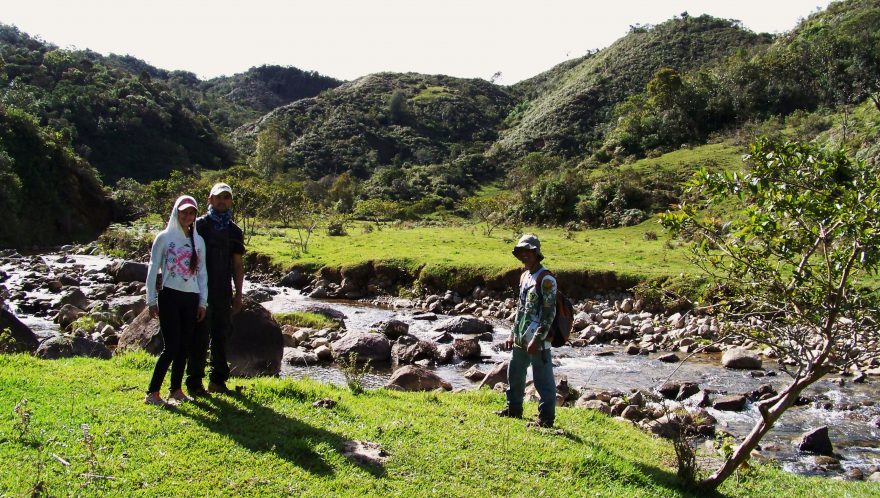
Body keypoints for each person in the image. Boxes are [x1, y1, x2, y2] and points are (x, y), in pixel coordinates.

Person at [144, 195, 208, 406]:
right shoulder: (164, 238)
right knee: (171, 347)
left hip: (191, 298)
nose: (188, 216)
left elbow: (202, 274)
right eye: (184, 212)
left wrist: (203, 302)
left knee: (184, 346)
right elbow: (153, 268)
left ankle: (176, 390)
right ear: (176, 212)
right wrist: (151, 300)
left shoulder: (198, 241)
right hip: (170, 295)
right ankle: (153, 392)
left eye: (191, 212)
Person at [186, 182, 245, 396]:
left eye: (226, 197)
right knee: (199, 336)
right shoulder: (199, 225)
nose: (222, 201)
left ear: (231, 201)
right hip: (199, 290)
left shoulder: (235, 231)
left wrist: (238, 295)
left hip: (223, 291)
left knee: (221, 336)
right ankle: (194, 383)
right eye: (218, 197)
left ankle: (217, 381)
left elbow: (237, 265)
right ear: (210, 199)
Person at [495, 234, 557, 428]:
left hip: (538, 340)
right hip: (521, 337)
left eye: (528, 252)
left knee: (543, 380)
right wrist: (512, 333)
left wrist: (538, 339)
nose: (524, 255)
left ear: (536, 253)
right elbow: (520, 309)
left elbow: (549, 312)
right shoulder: (524, 276)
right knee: (514, 373)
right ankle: (513, 409)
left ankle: (545, 419)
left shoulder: (546, 279)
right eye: (521, 252)